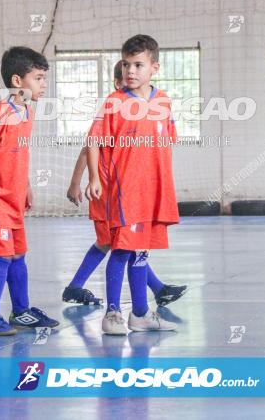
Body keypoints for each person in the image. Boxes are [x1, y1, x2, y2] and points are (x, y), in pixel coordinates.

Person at [63, 59, 187, 308]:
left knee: (126, 243)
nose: (129, 81)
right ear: (118, 82)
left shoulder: (153, 106)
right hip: (107, 192)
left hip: (125, 192)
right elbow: (89, 147)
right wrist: (78, 182)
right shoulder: (115, 108)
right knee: (117, 244)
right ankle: (102, 300)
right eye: (123, 76)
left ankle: (153, 292)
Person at [86, 35, 180, 335]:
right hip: (125, 191)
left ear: (154, 67)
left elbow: (168, 141)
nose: (130, 71)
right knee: (123, 250)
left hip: (153, 192)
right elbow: (93, 142)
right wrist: (94, 178)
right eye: (126, 64)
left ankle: (140, 314)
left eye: (138, 64)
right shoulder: (114, 102)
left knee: (141, 252)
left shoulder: (163, 100)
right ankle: (112, 313)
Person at [0, 47, 59, 336]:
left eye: (44, 78)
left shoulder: (26, 112)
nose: (43, 84)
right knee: (3, 256)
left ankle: (21, 311)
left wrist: (27, 185)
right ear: (18, 81)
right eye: (38, 78)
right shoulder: (1, 111)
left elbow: (17, 153)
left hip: (14, 198)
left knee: (19, 254)